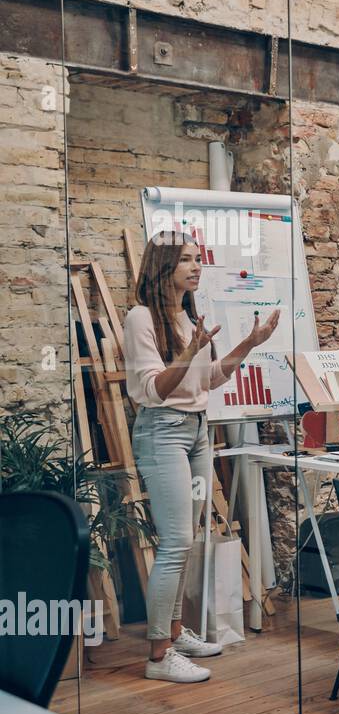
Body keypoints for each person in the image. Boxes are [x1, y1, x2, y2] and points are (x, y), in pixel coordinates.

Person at [123, 230, 281, 683]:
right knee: (174, 544)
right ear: (162, 267)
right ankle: (158, 656)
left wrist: (249, 343)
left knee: (187, 542)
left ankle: (174, 632)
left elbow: (209, 379)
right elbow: (154, 390)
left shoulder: (189, 318)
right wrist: (189, 350)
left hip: (197, 431)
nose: (196, 267)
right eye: (186, 260)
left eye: (198, 260)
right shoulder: (140, 318)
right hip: (163, 432)